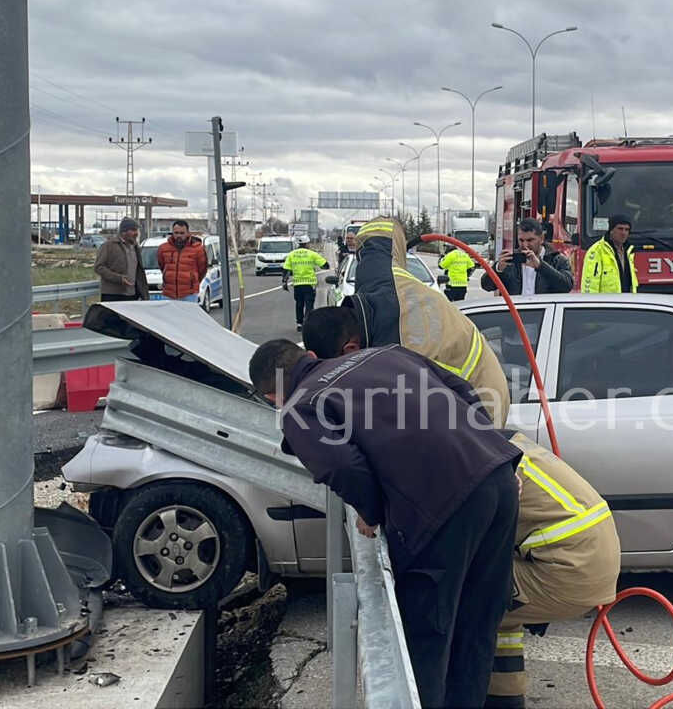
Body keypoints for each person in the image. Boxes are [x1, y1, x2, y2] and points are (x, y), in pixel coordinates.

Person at [250, 339, 520, 709]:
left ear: (271, 397)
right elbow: (463, 390)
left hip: (440, 507)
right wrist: (485, 451)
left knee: (427, 637)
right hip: (498, 478)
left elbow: (341, 467)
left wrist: (372, 510)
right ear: (310, 356)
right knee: (478, 625)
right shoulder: (385, 353)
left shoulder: (300, 407)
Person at [301, 216, 511, 426]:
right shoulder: (378, 284)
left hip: (480, 407)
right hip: (462, 390)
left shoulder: (395, 339)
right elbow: (380, 242)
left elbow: (392, 421)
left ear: (350, 349)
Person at [485, 432, 620, 708]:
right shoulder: (505, 443)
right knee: (502, 617)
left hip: (568, 569)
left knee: (466, 599)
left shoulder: (479, 460)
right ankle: (505, 698)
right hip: (590, 558)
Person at [483, 218, 574, 296]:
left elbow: (566, 286)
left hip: (544, 312)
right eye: (521, 240)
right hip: (515, 312)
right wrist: (498, 269)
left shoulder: (556, 260)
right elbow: (486, 286)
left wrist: (540, 266)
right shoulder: (511, 260)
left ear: (541, 238)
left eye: (530, 240)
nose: (525, 245)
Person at [94, 217, 149, 302]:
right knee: (112, 316)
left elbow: (139, 271)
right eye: (133, 230)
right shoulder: (109, 246)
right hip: (113, 295)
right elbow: (98, 267)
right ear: (123, 232)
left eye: (137, 230)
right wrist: (118, 278)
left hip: (132, 295)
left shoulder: (135, 247)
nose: (136, 233)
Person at [580, 214, 637, 294]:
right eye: (620, 229)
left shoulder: (628, 252)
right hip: (606, 304)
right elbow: (590, 284)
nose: (624, 233)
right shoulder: (597, 251)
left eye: (627, 230)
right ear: (611, 230)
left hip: (626, 302)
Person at [282, 236, 328, 331]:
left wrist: (284, 282)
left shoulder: (292, 254)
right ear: (307, 243)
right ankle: (307, 323)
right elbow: (325, 265)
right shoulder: (312, 254)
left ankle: (299, 324)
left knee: (299, 304)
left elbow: (286, 270)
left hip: (298, 284)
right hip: (309, 284)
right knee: (309, 304)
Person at [156, 220, 207, 303]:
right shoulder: (163, 248)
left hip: (189, 293)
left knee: (188, 316)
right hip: (169, 293)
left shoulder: (198, 249)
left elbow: (202, 269)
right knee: (169, 316)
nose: (179, 235)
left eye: (182, 233)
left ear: (187, 233)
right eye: (176, 233)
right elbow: (162, 265)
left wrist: (192, 280)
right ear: (172, 232)